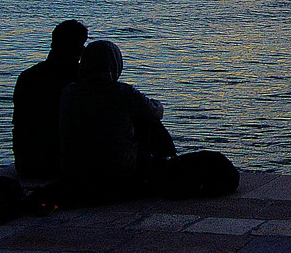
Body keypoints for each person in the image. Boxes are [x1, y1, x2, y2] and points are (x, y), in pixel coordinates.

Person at [58, 40, 176, 201]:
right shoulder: (123, 93)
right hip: (117, 171)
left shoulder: (69, 92)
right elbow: (155, 112)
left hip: (74, 171)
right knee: (147, 121)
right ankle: (167, 160)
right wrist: (154, 103)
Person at [11, 19, 87, 179]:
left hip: (27, 164)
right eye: (82, 44)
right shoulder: (81, 79)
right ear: (77, 48)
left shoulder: (27, 76)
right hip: (61, 164)